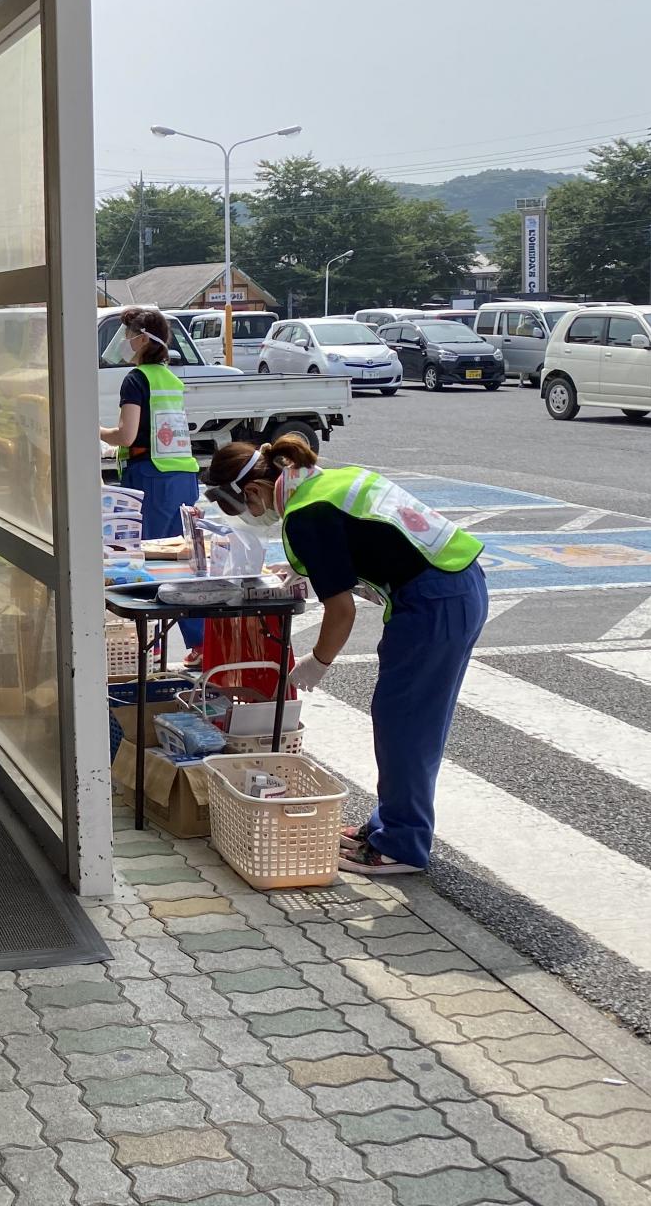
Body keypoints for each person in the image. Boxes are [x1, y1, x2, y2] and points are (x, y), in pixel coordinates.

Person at [203, 435, 487, 876]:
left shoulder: (305, 514)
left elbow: (341, 611)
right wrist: (306, 570)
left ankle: (401, 845)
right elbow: (364, 542)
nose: (251, 516)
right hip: (456, 585)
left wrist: (318, 661)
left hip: (434, 603)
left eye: (244, 507)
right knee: (406, 720)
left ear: (254, 490)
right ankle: (388, 825)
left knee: (406, 724)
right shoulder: (324, 483)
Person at [98, 307, 200, 539]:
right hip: (185, 478)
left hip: (152, 478)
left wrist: (97, 432)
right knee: (177, 549)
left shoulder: (136, 379)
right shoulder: (171, 379)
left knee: (149, 550)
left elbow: (126, 436)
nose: (123, 342)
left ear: (143, 339)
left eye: (127, 336)